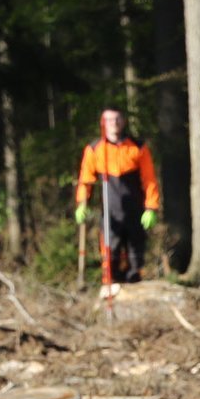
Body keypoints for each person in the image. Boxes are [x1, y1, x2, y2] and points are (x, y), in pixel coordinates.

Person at [74, 106, 161, 284]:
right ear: (103, 123)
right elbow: (86, 180)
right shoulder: (94, 149)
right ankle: (111, 289)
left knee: (136, 255)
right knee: (110, 253)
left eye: (117, 119)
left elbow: (149, 179)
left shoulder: (138, 147)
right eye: (109, 120)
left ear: (124, 121)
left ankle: (135, 290)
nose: (114, 123)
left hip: (135, 211)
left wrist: (151, 207)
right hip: (109, 212)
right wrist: (82, 204)